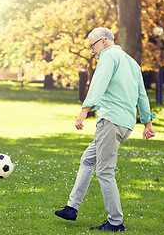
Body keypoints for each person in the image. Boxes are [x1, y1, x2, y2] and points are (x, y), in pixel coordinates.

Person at [55, 27, 156, 232]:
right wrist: (147, 123)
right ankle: (71, 208)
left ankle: (116, 221)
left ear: (103, 41)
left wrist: (84, 112)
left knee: (104, 171)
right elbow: (142, 95)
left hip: (110, 121)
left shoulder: (108, 57)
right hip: (125, 124)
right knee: (88, 159)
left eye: (93, 46)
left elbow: (97, 85)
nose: (92, 51)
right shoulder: (132, 63)